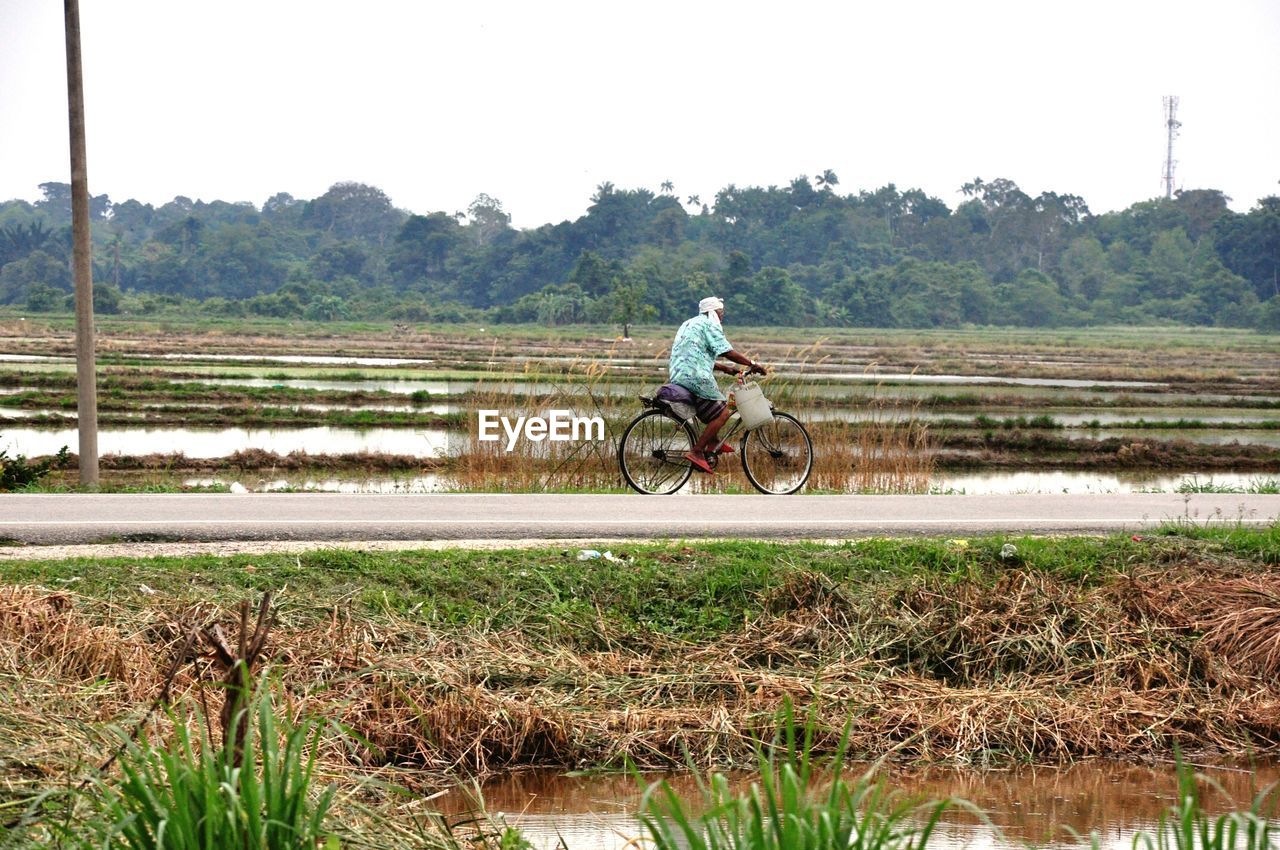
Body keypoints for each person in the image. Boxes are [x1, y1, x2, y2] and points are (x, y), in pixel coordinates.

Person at [664, 296, 764, 474]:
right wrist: (752, 364)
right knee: (723, 413)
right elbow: (727, 351)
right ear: (713, 312)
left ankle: (711, 441)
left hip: (679, 374)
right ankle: (697, 451)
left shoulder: (688, 324)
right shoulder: (709, 325)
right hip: (695, 376)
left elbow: (695, 354)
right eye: (721, 312)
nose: (722, 315)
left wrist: (726, 369)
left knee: (711, 410)